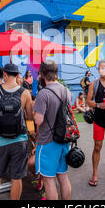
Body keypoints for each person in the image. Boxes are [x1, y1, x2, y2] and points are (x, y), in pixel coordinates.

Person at [0, 63, 33, 200]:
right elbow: (30, 117)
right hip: (19, 140)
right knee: (16, 178)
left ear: (4, 74)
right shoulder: (25, 93)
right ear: (18, 75)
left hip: (0, 140)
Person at [33, 60, 72, 200]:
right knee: (63, 176)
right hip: (64, 139)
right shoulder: (66, 91)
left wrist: (34, 111)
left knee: (49, 180)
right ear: (56, 73)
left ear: (42, 74)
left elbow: (38, 120)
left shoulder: (43, 94)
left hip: (47, 142)